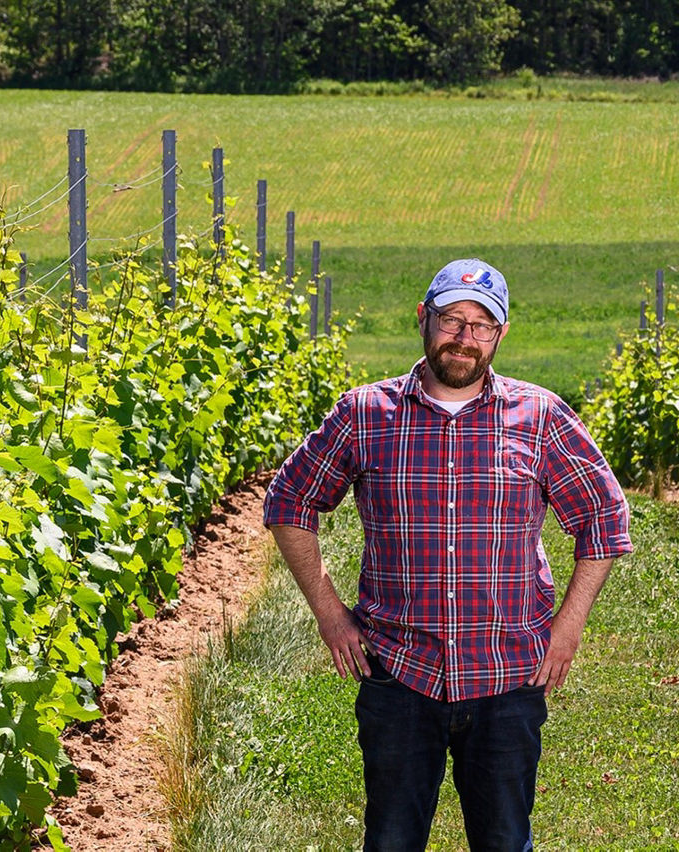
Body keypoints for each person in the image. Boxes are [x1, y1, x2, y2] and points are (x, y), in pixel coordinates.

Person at [263, 258, 632, 851]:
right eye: (451, 320)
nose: (464, 338)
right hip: (398, 676)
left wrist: (568, 627)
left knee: (505, 841)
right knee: (391, 841)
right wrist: (332, 617)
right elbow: (288, 502)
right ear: (423, 319)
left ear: (500, 335)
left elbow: (605, 519)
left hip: (508, 676)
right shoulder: (365, 415)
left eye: (482, 324)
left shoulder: (539, 418)